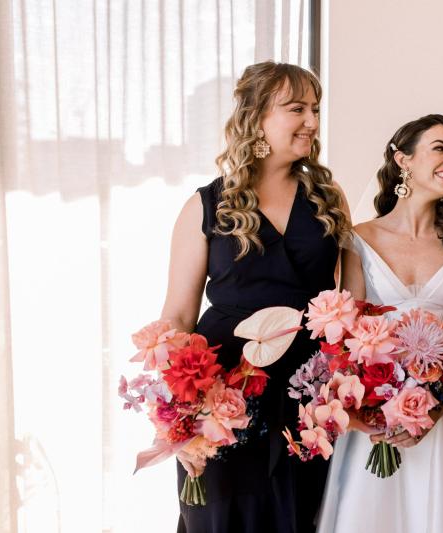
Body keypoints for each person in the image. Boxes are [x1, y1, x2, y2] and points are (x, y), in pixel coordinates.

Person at [160, 61, 350, 533]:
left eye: (315, 109)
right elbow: (179, 314)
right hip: (223, 393)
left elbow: (347, 300)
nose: (312, 121)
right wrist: (175, 417)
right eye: (297, 109)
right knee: (224, 515)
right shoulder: (206, 205)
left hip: (306, 392)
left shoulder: (328, 199)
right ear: (257, 117)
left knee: (300, 512)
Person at [317, 114, 443, 533]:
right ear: (403, 160)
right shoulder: (358, 240)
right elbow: (349, 334)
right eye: (440, 148)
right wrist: (371, 411)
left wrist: (434, 409)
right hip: (375, 422)